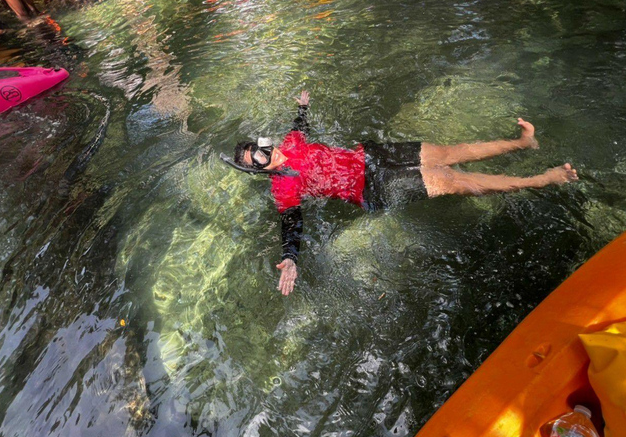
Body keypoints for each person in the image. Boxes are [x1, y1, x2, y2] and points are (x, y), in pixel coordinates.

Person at [224, 91, 579, 296]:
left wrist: (302, 107)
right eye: (252, 161)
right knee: (455, 181)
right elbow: (291, 221)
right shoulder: (282, 184)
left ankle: (522, 143)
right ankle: (542, 180)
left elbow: (299, 128)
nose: (258, 156)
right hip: (374, 188)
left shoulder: (289, 142)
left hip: (373, 155)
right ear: (256, 169)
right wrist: (291, 257)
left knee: (449, 153)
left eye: (255, 150)